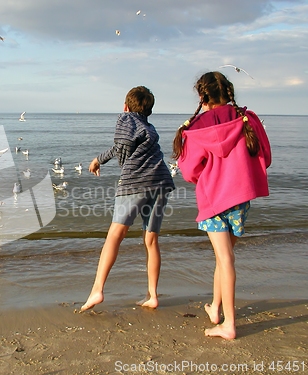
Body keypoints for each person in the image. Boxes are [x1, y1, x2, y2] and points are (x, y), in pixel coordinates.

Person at [172, 71, 271, 339]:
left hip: (214, 199)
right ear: (228, 91)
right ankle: (215, 307)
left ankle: (228, 325)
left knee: (225, 258)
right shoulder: (247, 118)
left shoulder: (196, 128)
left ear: (202, 95)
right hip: (241, 198)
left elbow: (190, 171)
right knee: (223, 256)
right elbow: (265, 155)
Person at [81, 86, 175, 312]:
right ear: (149, 110)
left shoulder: (125, 119)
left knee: (114, 235)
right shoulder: (148, 128)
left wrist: (123, 163)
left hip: (136, 182)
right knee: (151, 240)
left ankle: (97, 290)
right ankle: (152, 295)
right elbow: (122, 146)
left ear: (125, 106)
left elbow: (122, 145)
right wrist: (99, 159)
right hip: (160, 181)